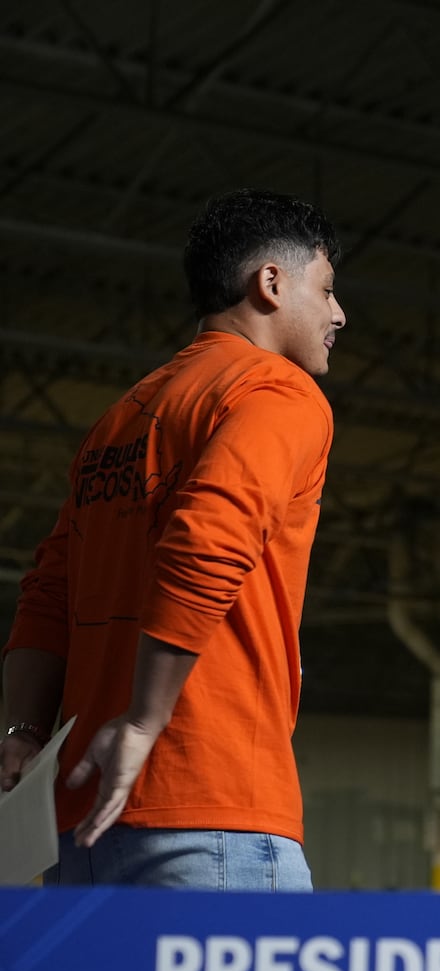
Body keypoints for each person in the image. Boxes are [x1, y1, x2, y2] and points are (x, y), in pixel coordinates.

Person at [0, 188, 346, 889]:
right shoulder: (274, 391)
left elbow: (48, 591)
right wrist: (143, 721)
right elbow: (207, 541)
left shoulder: (121, 418)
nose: (339, 313)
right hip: (210, 803)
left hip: (80, 819)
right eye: (328, 288)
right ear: (271, 284)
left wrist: (19, 733)